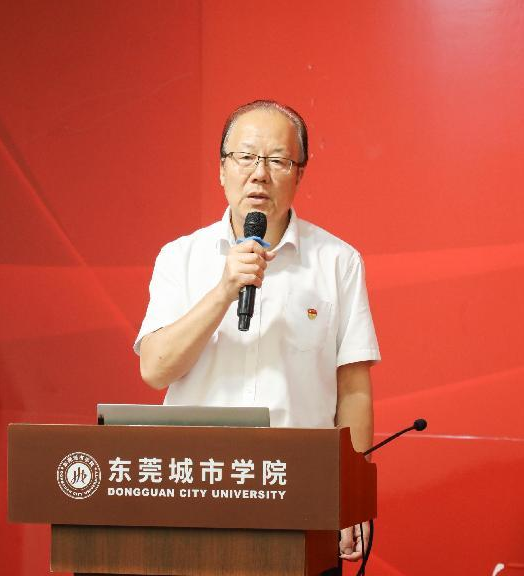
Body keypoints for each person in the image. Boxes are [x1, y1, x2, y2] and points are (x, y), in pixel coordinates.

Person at [134, 100, 380, 561]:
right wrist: (224, 290)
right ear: (221, 169)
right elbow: (155, 368)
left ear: (299, 174)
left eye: (277, 160)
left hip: (298, 491)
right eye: (245, 157)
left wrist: (355, 493)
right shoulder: (180, 258)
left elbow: (352, 388)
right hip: (195, 488)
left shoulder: (337, 262)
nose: (259, 174)